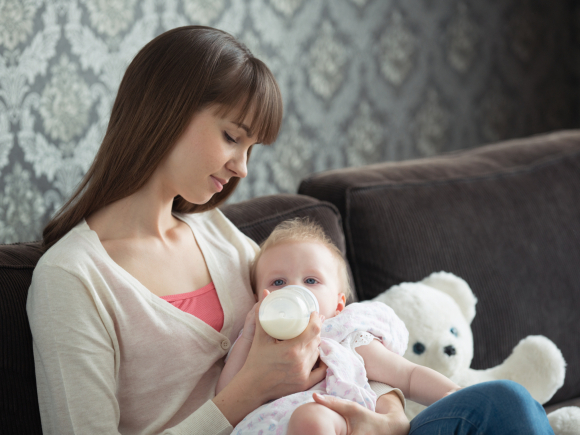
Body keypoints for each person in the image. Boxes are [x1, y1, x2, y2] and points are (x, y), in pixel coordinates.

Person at [25, 25, 553, 435]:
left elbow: (345, 341)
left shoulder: (219, 237)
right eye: (233, 137)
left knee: (504, 403)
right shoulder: (72, 280)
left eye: (251, 148)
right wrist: (243, 395)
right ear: (165, 112)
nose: (242, 168)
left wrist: (388, 416)